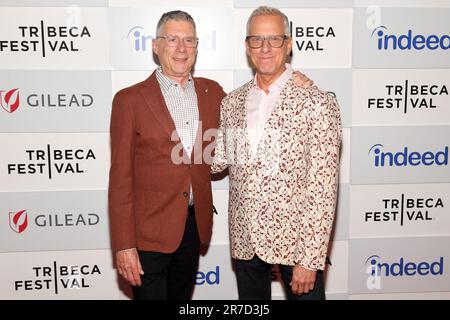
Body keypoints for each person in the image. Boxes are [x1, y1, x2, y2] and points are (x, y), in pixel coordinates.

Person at [109, 10, 313, 300]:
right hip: (147, 238)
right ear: (156, 46)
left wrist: (293, 80)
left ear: (197, 46)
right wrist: (123, 245)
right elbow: (119, 180)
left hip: (193, 230)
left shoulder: (213, 93)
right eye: (173, 39)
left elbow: (257, 103)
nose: (182, 48)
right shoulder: (129, 100)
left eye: (189, 40)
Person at [211, 6, 342, 300]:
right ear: (247, 47)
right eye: (257, 40)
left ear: (289, 44)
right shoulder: (232, 102)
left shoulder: (317, 102)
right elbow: (216, 161)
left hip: (296, 247)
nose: (265, 48)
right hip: (246, 242)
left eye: (274, 39)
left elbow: (323, 187)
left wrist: (309, 259)